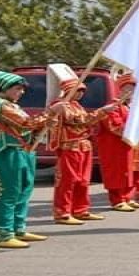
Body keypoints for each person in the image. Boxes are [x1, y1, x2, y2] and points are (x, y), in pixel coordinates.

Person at [0, 71, 52, 248]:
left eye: (22, 89)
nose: (21, 92)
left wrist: (44, 124)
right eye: (17, 89)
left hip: (23, 151)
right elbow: (24, 124)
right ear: (4, 88)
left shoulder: (13, 105)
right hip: (3, 153)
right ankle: (3, 234)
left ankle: (18, 229)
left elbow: (29, 128)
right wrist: (50, 113)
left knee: (23, 192)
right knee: (5, 192)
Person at [47, 77, 117, 224]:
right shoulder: (59, 105)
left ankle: (80, 210)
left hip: (84, 146)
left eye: (82, 91)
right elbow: (78, 120)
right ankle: (62, 212)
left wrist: (100, 114)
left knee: (83, 181)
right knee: (67, 181)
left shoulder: (77, 106)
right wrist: (101, 111)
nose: (80, 94)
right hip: (69, 147)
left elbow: (88, 121)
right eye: (77, 90)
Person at [96, 73, 139, 212]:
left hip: (128, 144)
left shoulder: (130, 106)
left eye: (132, 89)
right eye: (126, 89)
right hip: (114, 145)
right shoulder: (113, 105)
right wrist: (130, 131)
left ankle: (127, 198)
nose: (130, 92)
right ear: (119, 90)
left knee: (129, 170)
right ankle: (117, 200)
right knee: (116, 172)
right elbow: (114, 125)